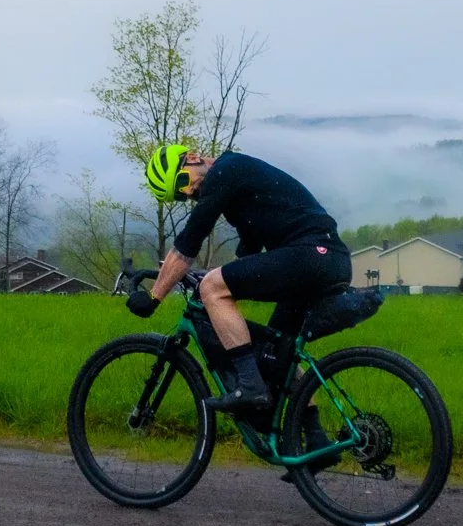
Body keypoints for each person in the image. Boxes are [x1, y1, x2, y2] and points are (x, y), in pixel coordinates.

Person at [126, 143, 352, 416]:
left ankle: (249, 386)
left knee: (212, 288)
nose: (190, 192)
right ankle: (314, 437)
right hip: (326, 260)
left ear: (194, 157)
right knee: (276, 356)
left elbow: (191, 239)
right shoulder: (239, 191)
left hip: (311, 255)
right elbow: (249, 253)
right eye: (181, 195)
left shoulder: (226, 169)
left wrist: (154, 296)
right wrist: (201, 274)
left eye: (183, 181)